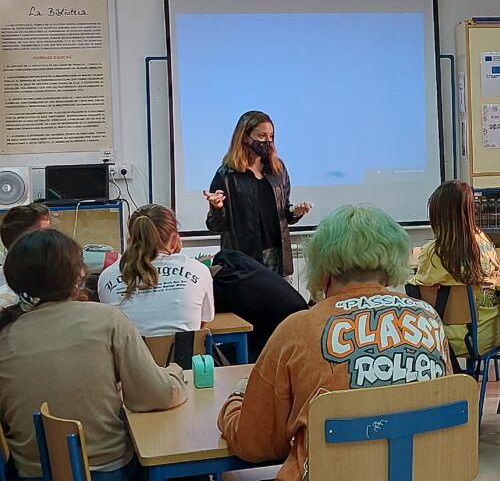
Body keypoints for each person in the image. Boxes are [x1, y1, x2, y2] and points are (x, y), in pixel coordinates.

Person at [217, 205, 451, 481]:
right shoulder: (428, 318)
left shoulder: (298, 328)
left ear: (324, 269)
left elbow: (256, 443)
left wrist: (235, 401)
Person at [0, 229, 186, 481]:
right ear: (78, 275)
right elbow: (153, 396)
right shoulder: (107, 319)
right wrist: (175, 373)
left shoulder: (6, 335)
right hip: (106, 469)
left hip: (30, 474)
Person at [204, 110, 311, 278]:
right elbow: (216, 226)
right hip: (245, 261)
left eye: (271, 136)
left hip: (278, 257)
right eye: (261, 136)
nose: (267, 141)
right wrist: (217, 207)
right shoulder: (226, 175)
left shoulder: (278, 169)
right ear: (245, 137)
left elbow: (283, 212)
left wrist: (294, 213)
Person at [409, 180, 500, 358]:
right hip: (488, 335)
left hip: (446, 340)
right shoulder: (484, 242)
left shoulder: (434, 252)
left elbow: (417, 291)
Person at [97, 204, 214, 337]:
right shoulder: (199, 270)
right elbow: (200, 325)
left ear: (130, 240)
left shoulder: (106, 277)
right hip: (181, 356)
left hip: (130, 357)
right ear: (176, 240)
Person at [211, 249, 309, 360]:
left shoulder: (223, 289)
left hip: (286, 343)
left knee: (212, 355)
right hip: (299, 321)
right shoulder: (232, 258)